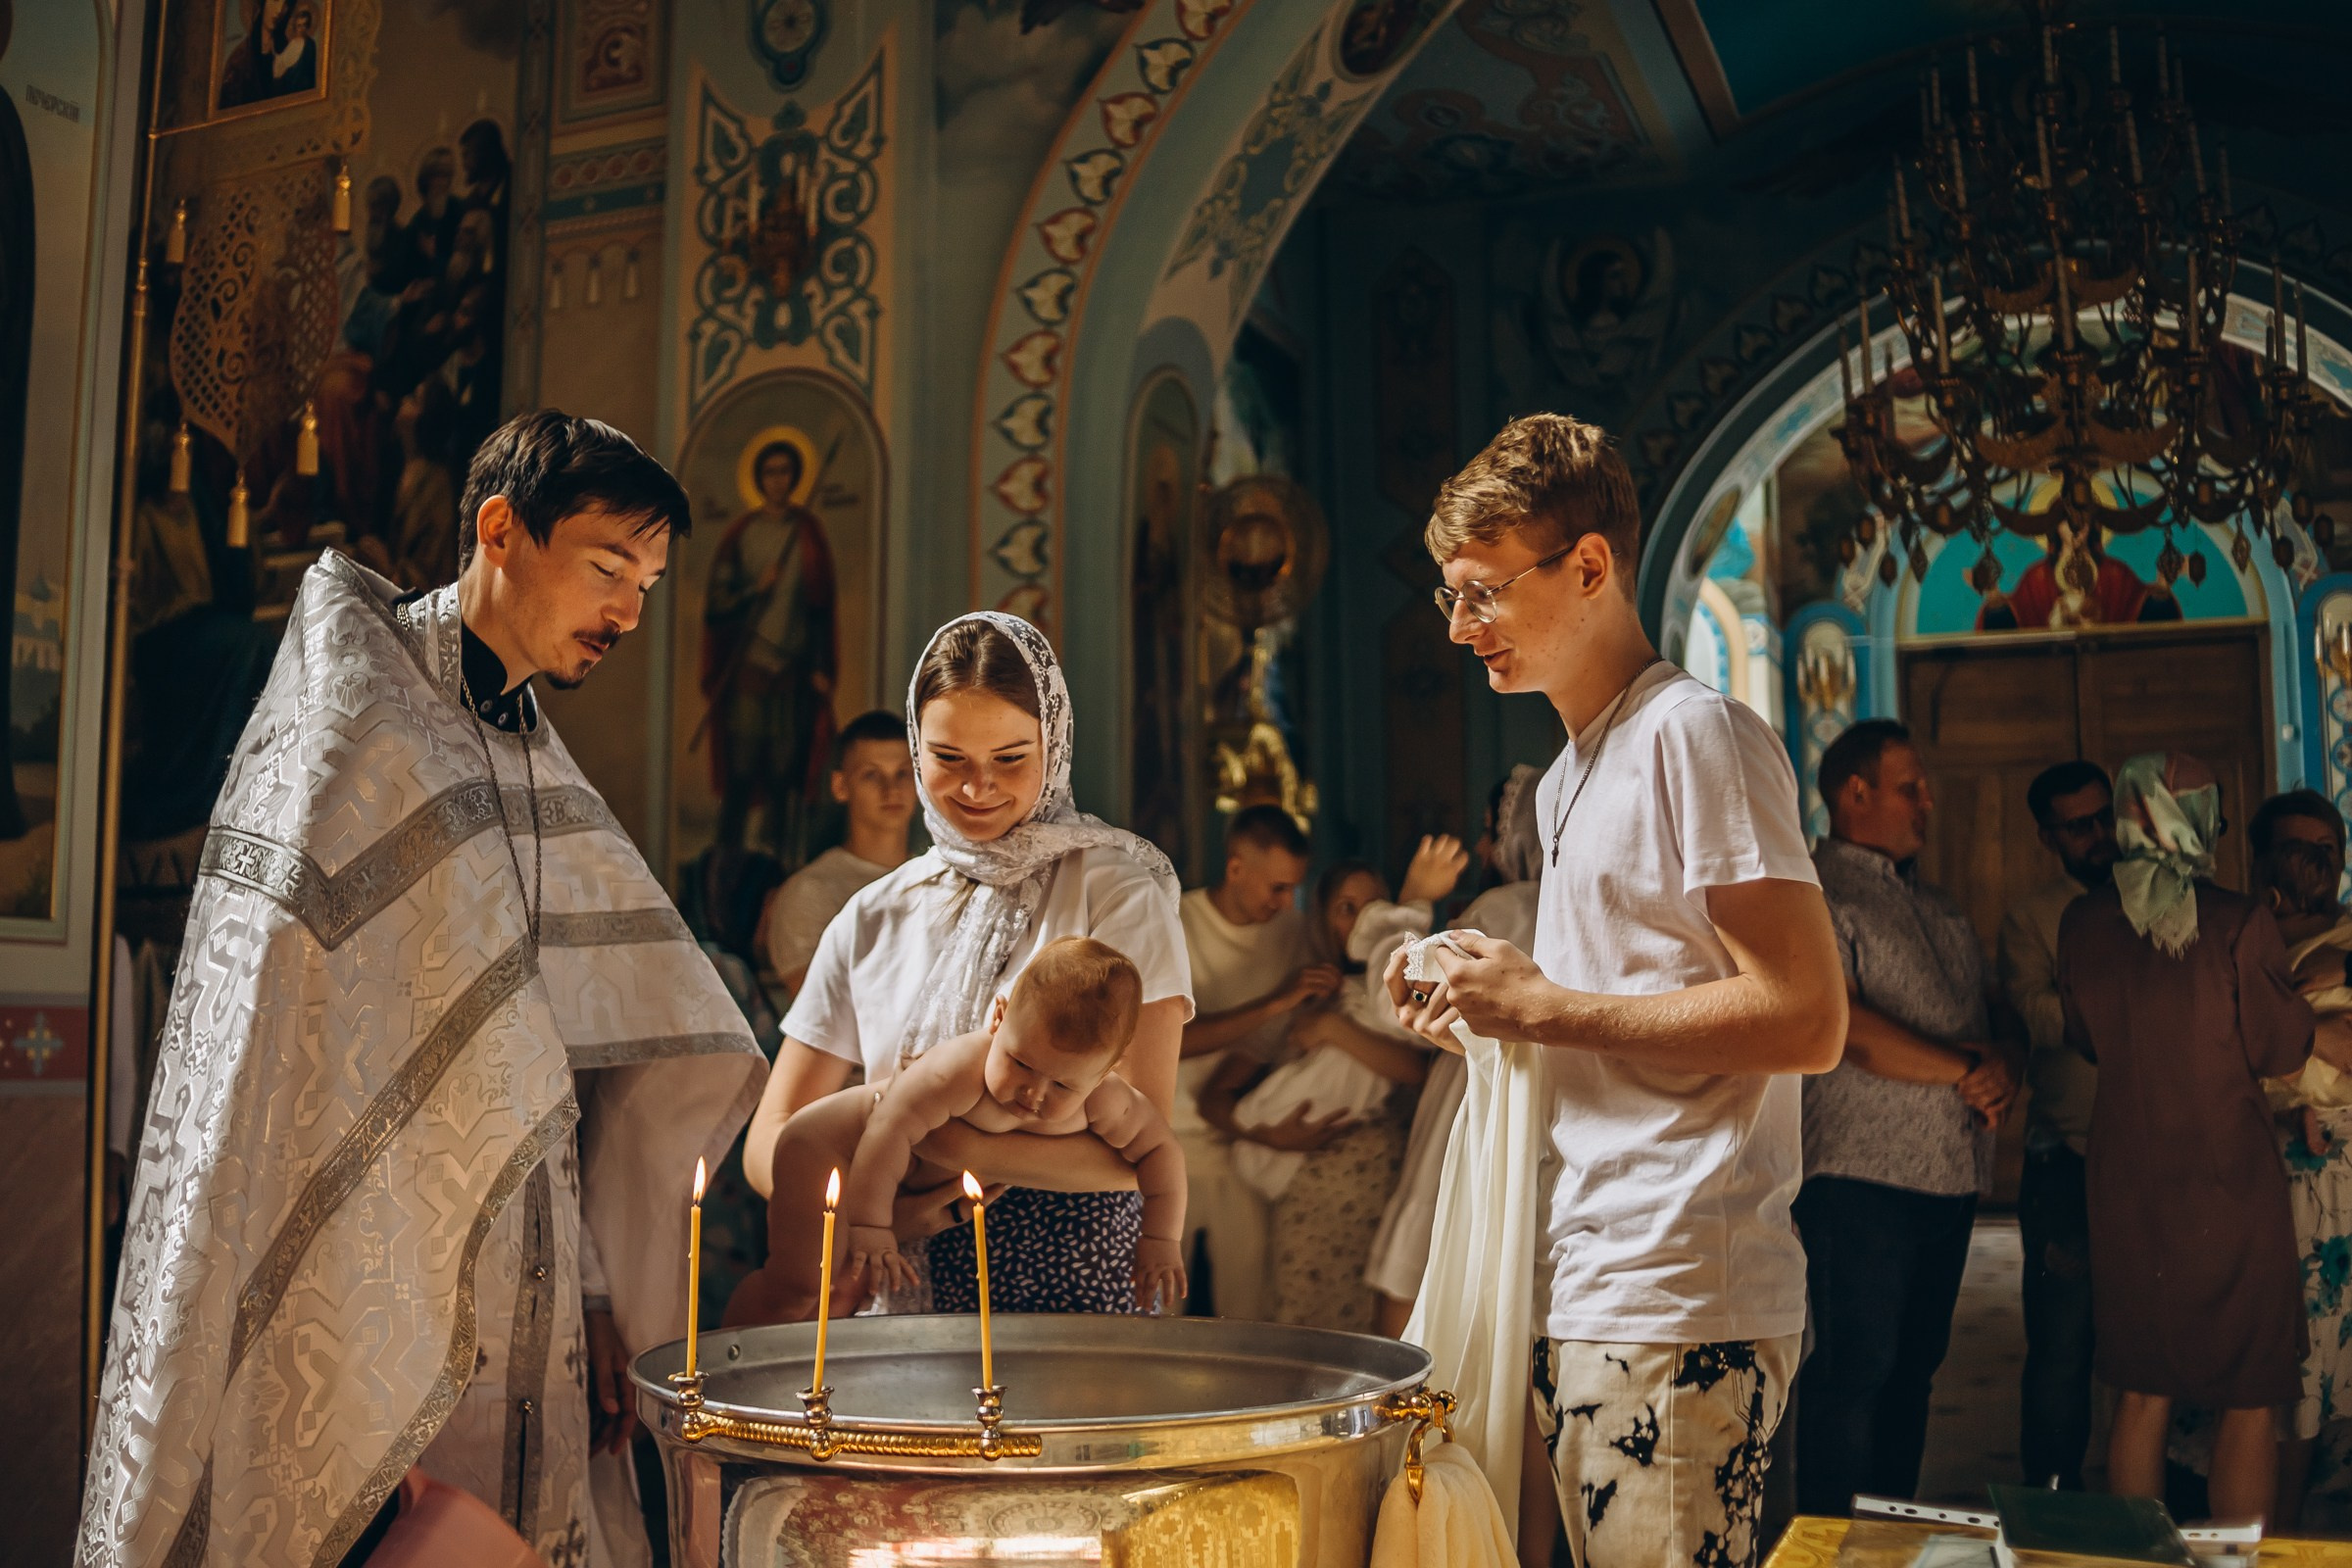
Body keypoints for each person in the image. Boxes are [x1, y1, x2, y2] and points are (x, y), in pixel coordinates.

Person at [79, 412, 768, 1565]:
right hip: (358, 1274)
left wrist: (596, 1290)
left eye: (647, 584)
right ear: (501, 529)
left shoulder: (528, 742)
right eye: (609, 569)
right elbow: (286, 1048)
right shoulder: (361, 722)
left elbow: (566, 1049)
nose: (630, 615)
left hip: (526, 1276)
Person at [1385, 414, 1846, 1568]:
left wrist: (1543, 1008)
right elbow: (1602, 1016)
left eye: (1482, 591)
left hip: (1680, 1277)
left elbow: (1807, 1017)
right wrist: (1481, 1012)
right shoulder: (1565, 777)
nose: (1459, 626)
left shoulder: (1698, 734)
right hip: (1586, 1259)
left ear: (1588, 566)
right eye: (1450, 596)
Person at [742, 611, 1193, 1314]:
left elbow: (1138, 1143)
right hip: (895, 1272)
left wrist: (927, 1135)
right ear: (916, 747)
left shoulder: (1117, 893)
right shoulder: (874, 914)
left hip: (1066, 1281)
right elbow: (771, 1143)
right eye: (948, 758)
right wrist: (889, 1208)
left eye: (1010, 759)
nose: (977, 787)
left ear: (1056, 744)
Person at [2059, 753, 2316, 1524]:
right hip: (2228, 1181)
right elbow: (2279, 1050)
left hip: (2125, 1180)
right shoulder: (2238, 920)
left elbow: (2085, 1039)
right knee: (2248, 1396)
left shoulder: (2083, 922)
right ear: (2194, 819)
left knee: (2140, 1389)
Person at [1793, 718, 2015, 1516]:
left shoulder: (1937, 904)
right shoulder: (1816, 892)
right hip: (1861, 1174)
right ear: (1856, 793)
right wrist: (1967, 1069)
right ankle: (1831, 1547)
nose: (1928, 802)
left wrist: (1999, 1065)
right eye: (1909, 787)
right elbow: (1846, 1028)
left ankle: (1890, 1536)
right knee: (1856, 1370)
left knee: (1915, 1370)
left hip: (1948, 1176)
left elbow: (1981, 1014)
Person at [735, 937, 1186, 1323]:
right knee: (802, 1285)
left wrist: (1161, 1238)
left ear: (1107, 1070)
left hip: (891, 1173)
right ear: (999, 1019)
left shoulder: (1109, 1101)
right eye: (1021, 1063)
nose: (1033, 1092)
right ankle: (728, 1344)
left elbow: (1161, 1153)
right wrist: (871, 1225)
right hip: (828, 1147)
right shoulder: (956, 1071)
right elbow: (886, 1129)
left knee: (845, 1294)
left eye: (1063, 1085)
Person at [1207, 841, 1463, 1332]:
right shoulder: (1302, 993)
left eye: (1374, 909)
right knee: (1309, 1324)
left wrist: (1337, 1034)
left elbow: (1423, 1069)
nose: (1363, 922)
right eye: (1348, 909)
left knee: (1378, 1332)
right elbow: (1217, 1098)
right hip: (1312, 1196)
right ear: (1322, 918)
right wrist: (1269, 1136)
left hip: (1389, 1187)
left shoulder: (1410, 997)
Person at [1368, 767, 1542, 1338]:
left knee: (1424, 1260)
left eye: (1492, 831)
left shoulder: (1507, 909)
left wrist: (1412, 901)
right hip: (1552, 1103)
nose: (1486, 847)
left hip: (1476, 1088)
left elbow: (1393, 994)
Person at [1999, 759, 2118, 1492]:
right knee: (2063, 1344)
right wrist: (2126, 1008)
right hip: (2067, 1163)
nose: (2101, 836)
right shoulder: (2032, 918)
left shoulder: (2157, 900)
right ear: (2049, 837)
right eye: (2080, 826)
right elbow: (2037, 1016)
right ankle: (2053, 1498)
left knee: (2169, 1336)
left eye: (2105, 817)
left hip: (2161, 1157)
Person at [1174, 806, 1339, 1318]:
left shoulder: (1292, 934)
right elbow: (1161, 1042)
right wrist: (1275, 1000)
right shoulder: (1173, 921)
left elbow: (1283, 1041)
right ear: (1236, 868)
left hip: (1242, 1145)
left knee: (1250, 1312)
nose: (1285, 902)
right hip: (1164, 1143)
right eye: (1275, 888)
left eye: (1293, 889)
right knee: (1154, 1313)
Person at [2246, 790, 2352, 1528]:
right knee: (2288, 1376)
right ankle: (2277, 1535)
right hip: (2262, 1164)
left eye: (2328, 848)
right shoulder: (2242, 940)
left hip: (2339, 1165)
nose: (2316, 861)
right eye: (2298, 847)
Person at [701, 438, 839, 859]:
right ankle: (725, 866)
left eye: (784, 472)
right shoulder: (743, 536)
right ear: (759, 479)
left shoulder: (807, 535)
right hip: (749, 667)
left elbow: (820, 607)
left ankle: (779, 863)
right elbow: (717, 606)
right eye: (769, 472)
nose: (777, 481)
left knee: (786, 773)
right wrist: (752, 591)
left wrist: (819, 666)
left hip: (792, 670)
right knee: (742, 770)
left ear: (794, 478)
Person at [762, 709, 916, 998]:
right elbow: (820, 1011)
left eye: (903, 773)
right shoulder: (810, 891)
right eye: (871, 775)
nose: (891, 789)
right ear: (841, 786)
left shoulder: (938, 878)